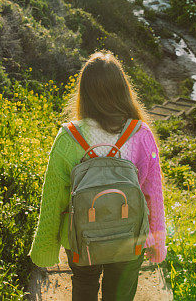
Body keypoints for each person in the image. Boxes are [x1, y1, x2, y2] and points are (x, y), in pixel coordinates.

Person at [30, 51, 166, 301]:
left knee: (84, 284)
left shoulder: (69, 137)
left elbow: (53, 197)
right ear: (123, 89)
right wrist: (157, 241)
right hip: (129, 238)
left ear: (85, 92)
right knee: (120, 293)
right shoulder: (141, 134)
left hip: (82, 238)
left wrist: (46, 248)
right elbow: (152, 193)